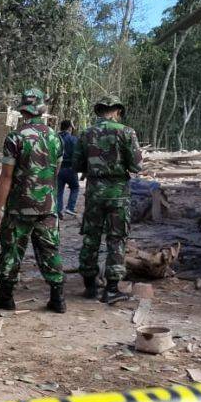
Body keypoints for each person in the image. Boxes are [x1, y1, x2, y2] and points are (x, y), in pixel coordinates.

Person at [0, 88, 66, 313]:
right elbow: (55, 172)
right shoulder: (55, 138)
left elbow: (7, 176)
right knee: (50, 251)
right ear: (41, 109)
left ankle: (6, 297)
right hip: (47, 207)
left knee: (11, 251)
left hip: (19, 207)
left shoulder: (15, 137)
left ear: (23, 110)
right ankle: (58, 298)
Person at [73, 95, 142, 304]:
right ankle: (111, 289)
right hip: (118, 194)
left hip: (94, 192)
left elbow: (77, 165)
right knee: (116, 239)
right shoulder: (127, 132)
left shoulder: (86, 134)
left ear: (99, 111)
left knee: (90, 237)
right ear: (118, 111)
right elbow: (136, 166)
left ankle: (90, 286)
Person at [56, 119, 80, 216]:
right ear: (70, 128)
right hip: (70, 168)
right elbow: (77, 154)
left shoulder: (55, 138)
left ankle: (58, 209)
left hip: (58, 168)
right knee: (75, 187)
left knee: (59, 190)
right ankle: (70, 207)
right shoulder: (73, 139)